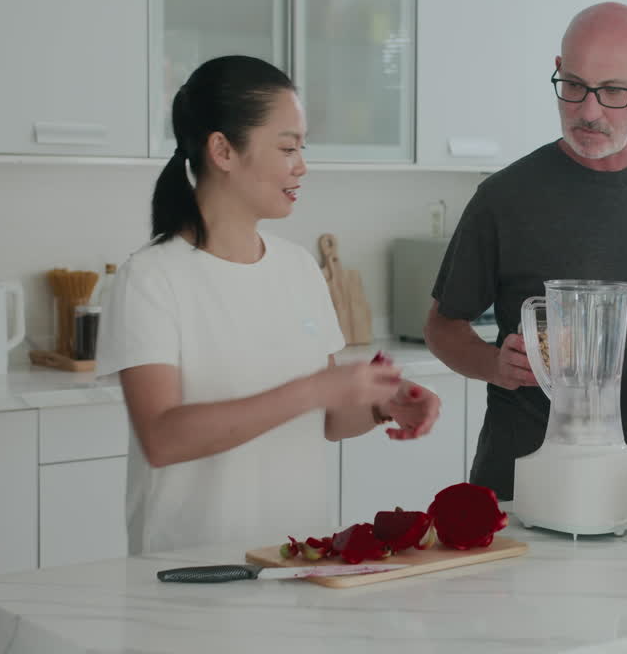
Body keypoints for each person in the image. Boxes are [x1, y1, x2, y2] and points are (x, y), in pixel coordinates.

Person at [95, 55, 440, 555]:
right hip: (192, 572)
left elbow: (325, 419)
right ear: (223, 150)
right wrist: (316, 387)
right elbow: (163, 437)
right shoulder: (151, 278)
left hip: (296, 558)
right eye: (287, 147)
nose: (301, 165)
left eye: (302, 148)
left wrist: (381, 403)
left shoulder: (297, 268)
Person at [424, 2, 627, 501]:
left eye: (613, 93)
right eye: (575, 86)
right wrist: (492, 362)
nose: (587, 111)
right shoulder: (503, 197)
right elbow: (442, 326)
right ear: (558, 71)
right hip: (520, 484)